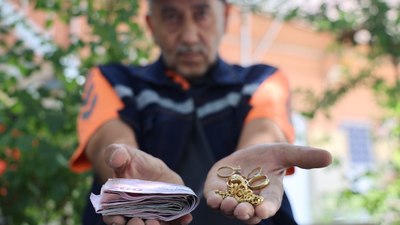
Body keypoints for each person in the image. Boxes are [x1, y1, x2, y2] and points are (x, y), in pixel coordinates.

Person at [69, 0, 332, 224]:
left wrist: (249, 168)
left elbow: (264, 130)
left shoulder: (263, 80)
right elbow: (111, 142)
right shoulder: (111, 79)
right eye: (171, 17)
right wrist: (129, 172)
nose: (190, 36)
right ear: (151, 25)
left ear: (226, 16)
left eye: (202, 14)